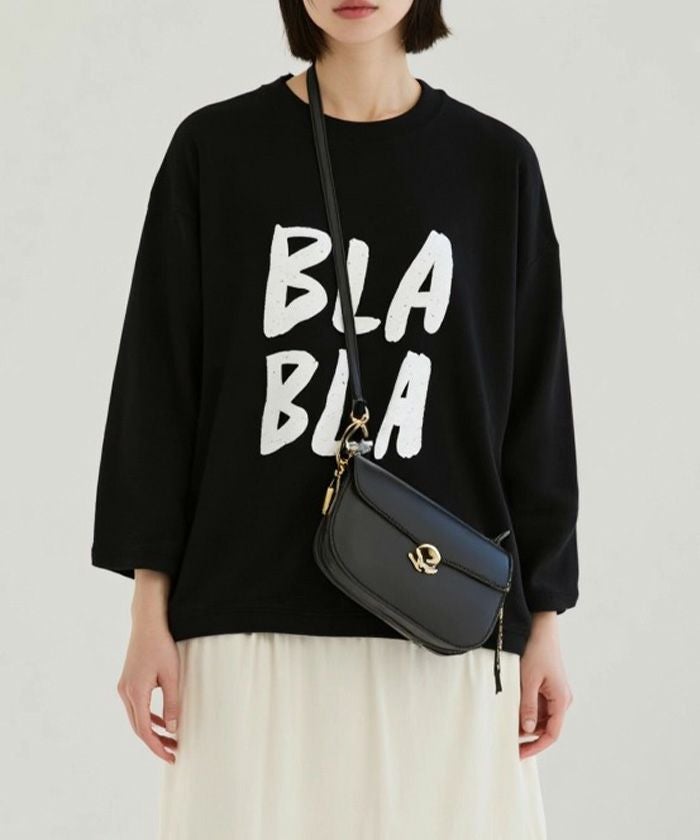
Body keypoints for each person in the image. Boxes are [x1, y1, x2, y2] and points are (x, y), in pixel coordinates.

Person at [91, 1, 579, 837]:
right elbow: (158, 392)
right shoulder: (216, 151)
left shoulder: (495, 166)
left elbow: (536, 409)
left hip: (444, 628)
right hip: (248, 622)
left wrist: (546, 622)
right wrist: (148, 616)